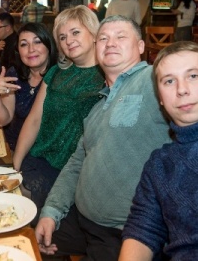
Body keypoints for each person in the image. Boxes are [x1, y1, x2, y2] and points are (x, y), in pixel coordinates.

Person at [34, 15, 171, 261]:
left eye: (121, 37)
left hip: (125, 232)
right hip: (81, 221)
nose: (110, 43)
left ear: (140, 47)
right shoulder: (98, 107)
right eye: (104, 39)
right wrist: (51, 211)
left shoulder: (153, 81)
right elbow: (76, 164)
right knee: (32, 240)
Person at [13, 5, 104, 219]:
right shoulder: (55, 72)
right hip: (40, 159)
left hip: (76, 172)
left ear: (93, 34)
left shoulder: (107, 75)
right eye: (62, 37)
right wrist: (14, 164)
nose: (68, 40)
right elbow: (34, 119)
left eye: (75, 32)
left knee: (22, 209)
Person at [119, 41, 198, 261]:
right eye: (169, 81)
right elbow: (143, 229)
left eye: (193, 76)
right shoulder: (159, 164)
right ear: (160, 99)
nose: (182, 89)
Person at [0, 22, 58, 151]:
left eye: (37, 42)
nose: (31, 49)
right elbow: (2, 121)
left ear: (49, 45)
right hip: (12, 145)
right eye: (24, 44)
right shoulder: (14, 74)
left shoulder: (59, 77)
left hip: (45, 153)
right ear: (18, 51)